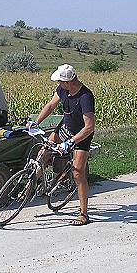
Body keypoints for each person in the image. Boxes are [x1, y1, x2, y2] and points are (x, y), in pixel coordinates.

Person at [32, 64, 95, 226]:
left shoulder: (85, 97)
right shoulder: (63, 90)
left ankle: (83, 214)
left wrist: (71, 142)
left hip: (81, 135)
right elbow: (50, 105)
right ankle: (31, 188)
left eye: (60, 82)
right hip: (65, 128)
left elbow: (89, 127)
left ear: (68, 82)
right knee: (42, 152)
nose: (58, 85)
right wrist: (36, 123)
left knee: (77, 173)